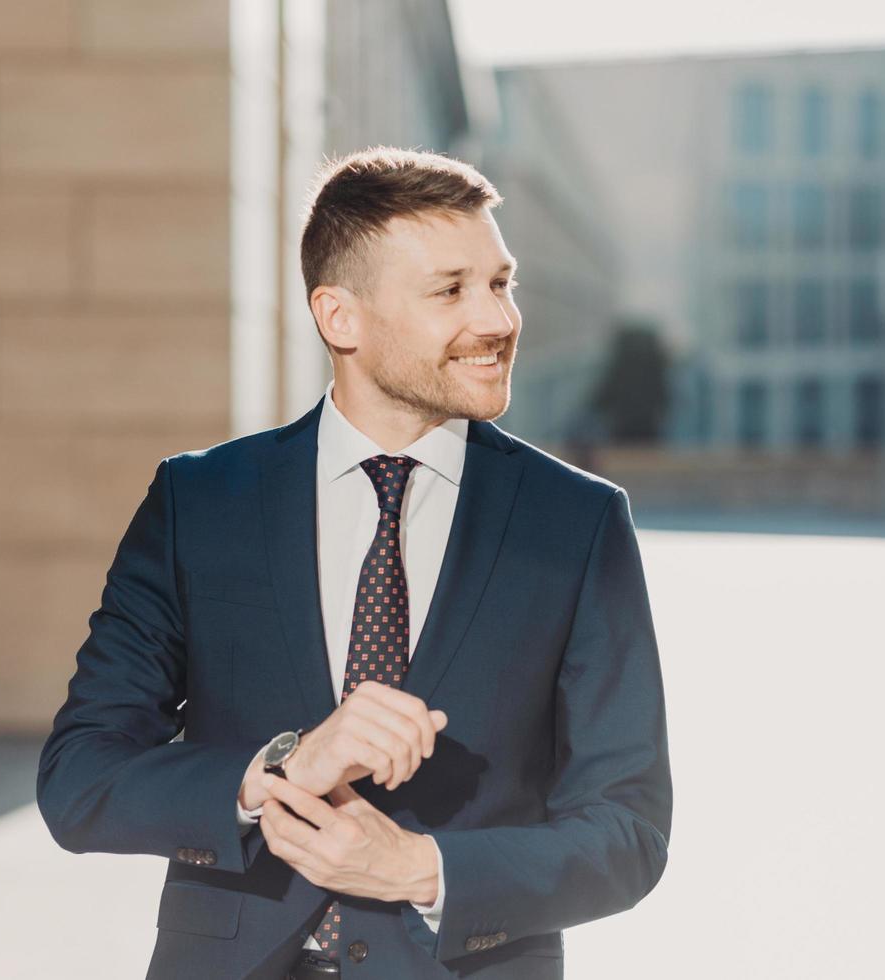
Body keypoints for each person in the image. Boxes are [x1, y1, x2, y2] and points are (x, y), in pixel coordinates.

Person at [36, 146, 672, 979]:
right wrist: (285, 769)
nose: (499, 318)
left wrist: (420, 870)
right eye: (451, 290)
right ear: (341, 318)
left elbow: (629, 830)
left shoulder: (579, 523)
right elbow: (81, 779)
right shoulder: (201, 502)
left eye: (500, 282)